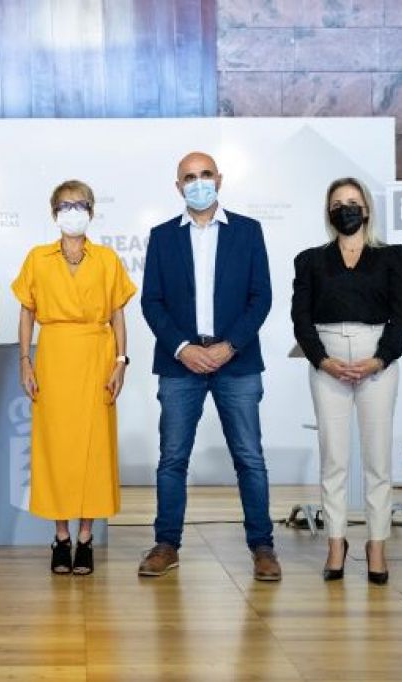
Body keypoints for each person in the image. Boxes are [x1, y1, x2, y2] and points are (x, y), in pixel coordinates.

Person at [139, 152, 280, 581]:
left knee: (249, 457)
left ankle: (262, 546)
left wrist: (229, 346)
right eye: (189, 177)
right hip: (180, 363)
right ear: (177, 186)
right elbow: (152, 301)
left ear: (219, 179)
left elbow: (261, 297)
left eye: (204, 175)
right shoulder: (162, 236)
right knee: (172, 459)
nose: (197, 182)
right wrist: (183, 347)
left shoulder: (248, 231)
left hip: (237, 362)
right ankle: (166, 544)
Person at [292, 177, 402, 584]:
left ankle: (376, 545)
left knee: (377, 458)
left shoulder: (395, 258)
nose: (345, 209)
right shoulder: (310, 260)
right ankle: (335, 542)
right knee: (333, 458)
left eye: (352, 201)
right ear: (328, 212)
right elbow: (300, 319)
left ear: (366, 209)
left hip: (376, 357)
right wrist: (322, 360)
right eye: (337, 203)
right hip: (326, 359)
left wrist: (379, 359)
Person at [11, 179, 136, 576]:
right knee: (56, 449)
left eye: (80, 205)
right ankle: (61, 537)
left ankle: (86, 538)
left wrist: (120, 361)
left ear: (92, 212)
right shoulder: (37, 258)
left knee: (94, 449)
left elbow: (117, 314)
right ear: (54, 213)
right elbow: (27, 312)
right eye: (65, 205)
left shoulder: (107, 259)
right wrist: (25, 362)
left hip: (97, 357)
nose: (73, 211)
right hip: (54, 357)